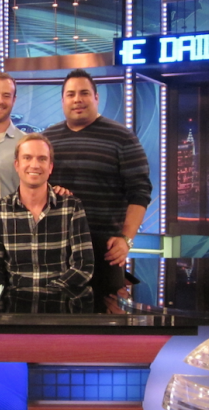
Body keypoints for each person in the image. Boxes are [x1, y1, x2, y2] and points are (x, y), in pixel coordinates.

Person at [43, 69, 152, 313]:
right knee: (56, 323)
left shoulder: (122, 137)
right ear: (63, 100)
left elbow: (140, 191)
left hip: (105, 251)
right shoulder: (47, 139)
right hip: (57, 249)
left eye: (84, 93)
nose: (77, 99)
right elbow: (36, 187)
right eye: (70, 94)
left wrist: (126, 239)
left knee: (107, 328)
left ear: (96, 98)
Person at [0, 133, 94, 314]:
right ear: (16, 165)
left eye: (42, 159)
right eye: (27, 158)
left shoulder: (71, 207)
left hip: (62, 309)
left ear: (50, 167)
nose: (34, 165)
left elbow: (83, 266)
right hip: (13, 308)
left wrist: (52, 292)